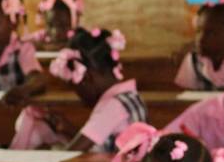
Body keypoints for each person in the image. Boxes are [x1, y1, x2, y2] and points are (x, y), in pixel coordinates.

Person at [10, 27, 146, 151]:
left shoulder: (112, 107)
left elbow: (71, 153)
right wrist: (66, 129)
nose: (79, 95)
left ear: (86, 78)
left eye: (75, 88)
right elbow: (99, 144)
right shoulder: (131, 95)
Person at [174, 0, 224, 91]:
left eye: (211, 33)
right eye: (198, 31)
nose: (200, 39)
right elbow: (183, 99)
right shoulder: (193, 61)